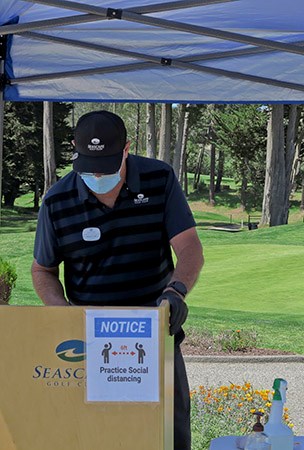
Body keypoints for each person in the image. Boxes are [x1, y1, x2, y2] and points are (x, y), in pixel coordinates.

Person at [31, 110, 204, 450]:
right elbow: (43, 271)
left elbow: (190, 250)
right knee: (98, 439)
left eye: (107, 165)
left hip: (156, 337)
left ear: (127, 149)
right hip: (91, 348)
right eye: (89, 165)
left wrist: (177, 291)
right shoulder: (56, 201)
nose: (97, 175)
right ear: (74, 150)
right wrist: (61, 311)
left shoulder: (160, 179)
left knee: (169, 437)